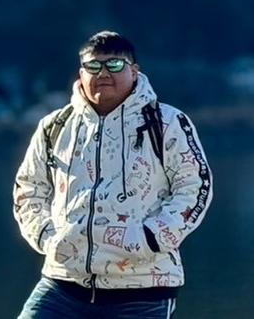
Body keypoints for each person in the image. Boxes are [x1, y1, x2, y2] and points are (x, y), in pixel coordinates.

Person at [13, 31, 213, 318]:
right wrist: (48, 237)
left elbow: (194, 188)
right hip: (63, 283)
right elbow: (28, 188)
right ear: (81, 73)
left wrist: (151, 238)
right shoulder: (54, 126)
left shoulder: (167, 122)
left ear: (134, 71)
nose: (103, 73)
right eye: (93, 66)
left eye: (115, 65)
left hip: (143, 286)